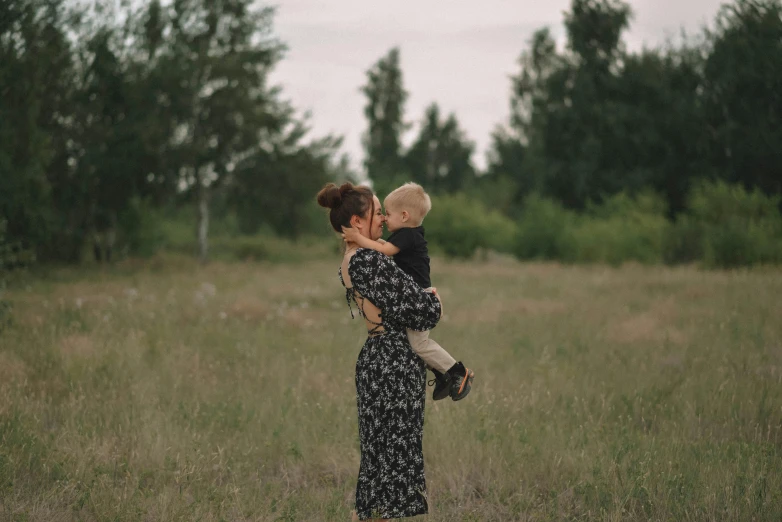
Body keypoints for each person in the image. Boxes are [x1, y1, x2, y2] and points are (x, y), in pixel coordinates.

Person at [317, 182, 442, 521]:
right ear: (358, 222)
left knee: (380, 460)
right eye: (376, 212)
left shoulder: (357, 258)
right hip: (392, 362)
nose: (383, 221)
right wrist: (434, 300)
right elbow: (424, 311)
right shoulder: (368, 261)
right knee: (390, 461)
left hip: (382, 356)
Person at [342, 182, 474, 401]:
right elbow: (384, 245)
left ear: (404, 216)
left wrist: (358, 239)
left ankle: (455, 372)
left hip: (421, 296)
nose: (384, 218)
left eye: (387, 214)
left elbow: (384, 250)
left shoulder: (407, 235)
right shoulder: (407, 235)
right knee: (415, 341)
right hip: (420, 293)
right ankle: (441, 374)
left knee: (419, 344)